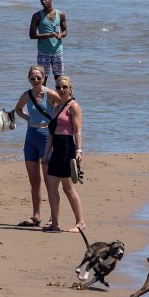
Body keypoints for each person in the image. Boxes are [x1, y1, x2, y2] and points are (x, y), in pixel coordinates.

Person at [12, 66, 63, 228]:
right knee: (34, 181)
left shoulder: (50, 94)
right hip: (31, 137)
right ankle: (36, 215)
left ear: (44, 78)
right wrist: (28, 118)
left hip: (47, 137)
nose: (35, 81)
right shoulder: (27, 95)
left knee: (50, 182)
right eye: (32, 78)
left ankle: (52, 218)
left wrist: (55, 123)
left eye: (38, 78)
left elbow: (65, 106)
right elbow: (18, 109)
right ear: (29, 79)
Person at [43, 75, 86, 233]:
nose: (61, 90)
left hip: (67, 148)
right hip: (56, 149)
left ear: (70, 89)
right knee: (52, 188)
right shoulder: (56, 107)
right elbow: (52, 134)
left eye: (64, 87)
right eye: (58, 87)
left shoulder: (73, 106)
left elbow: (78, 131)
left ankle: (80, 222)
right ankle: (55, 222)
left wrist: (79, 151)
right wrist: (46, 154)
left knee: (68, 188)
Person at [29, 0, 67, 78]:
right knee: (42, 79)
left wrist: (61, 35)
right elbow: (32, 35)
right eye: (41, 0)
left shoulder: (60, 14)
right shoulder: (37, 16)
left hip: (57, 51)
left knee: (59, 78)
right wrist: (48, 35)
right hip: (43, 51)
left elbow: (65, 31)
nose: (43, 1)